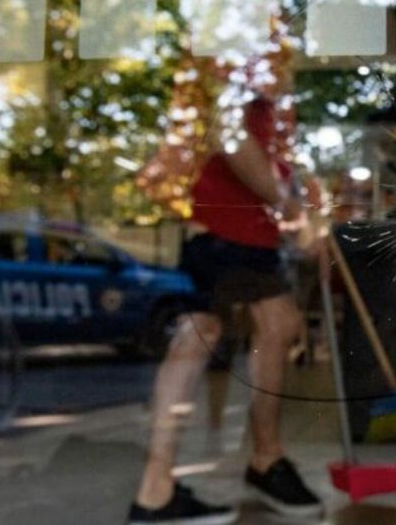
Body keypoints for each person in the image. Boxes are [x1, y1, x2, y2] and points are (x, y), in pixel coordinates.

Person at [128, 47, 323, 524]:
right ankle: (264, 459)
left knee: (201, 335)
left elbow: (256, 142)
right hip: (228, 228)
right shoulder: (237, 42)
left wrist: (300, 204)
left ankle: (156, 491)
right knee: (274, 323)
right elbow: (230, 135)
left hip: (230, 227)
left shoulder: (245, 52)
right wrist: (288, 205)